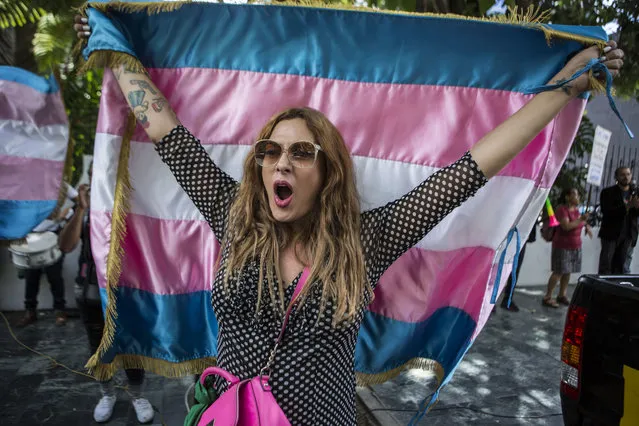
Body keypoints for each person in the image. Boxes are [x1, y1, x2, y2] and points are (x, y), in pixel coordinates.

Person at [75, 17, 625, 425]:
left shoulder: (368, 239)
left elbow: (471, 169)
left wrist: (565, 90)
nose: (281, 162)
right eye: (271, 151)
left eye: (301, 153)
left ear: (329, 173)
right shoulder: (235, 218)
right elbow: (168, 134)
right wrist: (113, 45)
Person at [58, 165, 154, 424]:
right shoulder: (86, 209)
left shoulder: (130, 204)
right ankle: (107, 394)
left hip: (128, 290)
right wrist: (81, 208)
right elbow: (66, 245)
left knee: (132, 343)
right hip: (90, 291)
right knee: (98, 346)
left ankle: (137, 395)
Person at [18, 183, 78, 327]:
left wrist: (67, 215)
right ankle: (30, 311)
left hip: (53, 236)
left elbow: (79, 201)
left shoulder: (60, 183)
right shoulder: (26, 184)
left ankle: (59, 310)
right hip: (31, 235)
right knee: (31, 276)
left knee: (54, 275)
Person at [543, 188, 592, 307]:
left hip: (575, 245)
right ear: (567, 197)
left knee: (568, 271)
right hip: (562, 245)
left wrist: (586, 225)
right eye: (575, 194)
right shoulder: (562, 210)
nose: (578, 197)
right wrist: (581, 220)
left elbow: (580, 222)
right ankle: (548, 296)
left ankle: (561, 295)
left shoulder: (576, 211)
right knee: (558, 271)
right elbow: (566, 226)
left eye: (578, 195)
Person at [598, 167, 639, 274]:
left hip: (629, 235)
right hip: (611, 234)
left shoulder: (635, 193)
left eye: (628, 174)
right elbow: (607, 211)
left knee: (623, 267)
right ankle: (604, 289)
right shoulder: (608, 192)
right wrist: (628, 206)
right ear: (616, 177)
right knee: (606, 265)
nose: (626, 177)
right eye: (622, 174)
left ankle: (620, 289)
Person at [498, 226, 536, 312]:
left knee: (513, 270)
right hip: (512, 235)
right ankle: (499, 300)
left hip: (520, 237)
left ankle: (507, 299)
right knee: (502, 268)